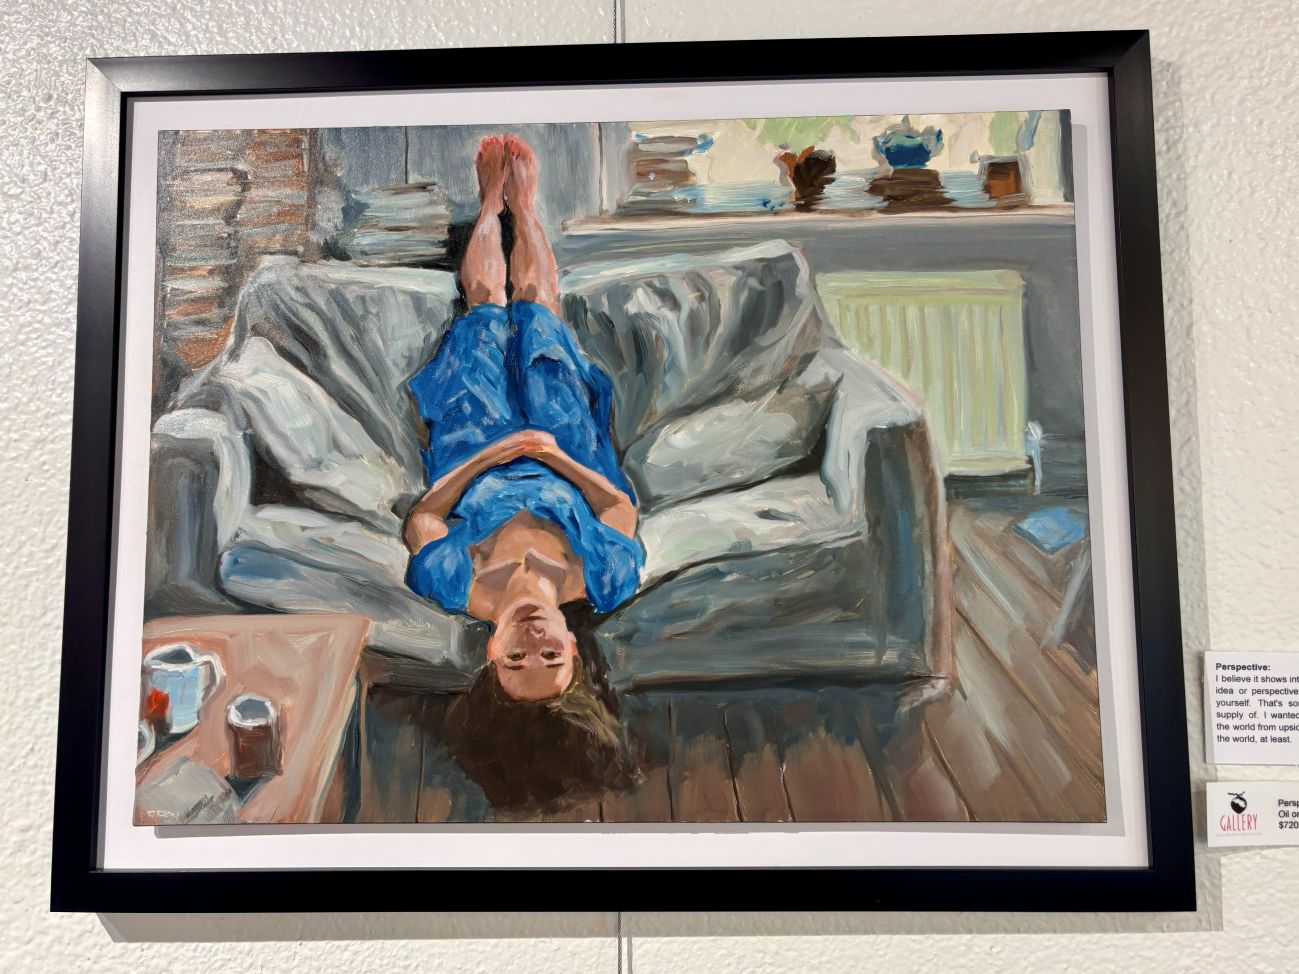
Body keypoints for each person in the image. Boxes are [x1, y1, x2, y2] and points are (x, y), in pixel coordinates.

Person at [403, 134, 644, 704]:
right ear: (572, 645)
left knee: (485, 309)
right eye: (551, 656)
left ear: (491, 652)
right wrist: (552, 454)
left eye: (516, 658)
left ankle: (492, 199)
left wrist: (494, 454)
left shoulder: (453, 585)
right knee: (538, 310)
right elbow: (618, 509)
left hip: (473, 453)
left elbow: (424, 517)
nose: (533, 640)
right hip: (568, 451)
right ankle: (527, 207)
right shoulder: (604, 580)